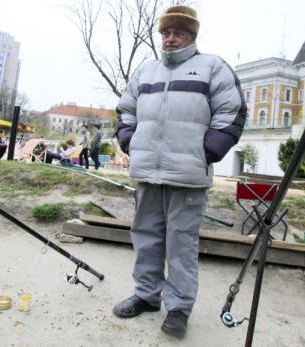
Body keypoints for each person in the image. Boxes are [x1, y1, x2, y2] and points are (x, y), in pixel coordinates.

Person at [113, 5, 246, 338]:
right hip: (147, 173)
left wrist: (208, 151)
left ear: (192, 35)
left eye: (178, 32)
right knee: (145, 238)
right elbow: (126, 110)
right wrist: (129, 140)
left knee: (181, 245)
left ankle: (179, 308)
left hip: (187, 176)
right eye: (166, 32)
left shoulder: (212, 67)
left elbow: (232, 111)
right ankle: (146, 296)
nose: (170, 38)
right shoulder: (145, 71)